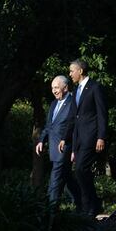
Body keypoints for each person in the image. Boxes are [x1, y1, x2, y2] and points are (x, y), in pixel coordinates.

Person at [59, 59, 108, 217]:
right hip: (78, 139)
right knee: (80, 171)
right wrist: (65, 139)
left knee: (80, 169)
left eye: (72, 70)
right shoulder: (76, 91)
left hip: (91, 136)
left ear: (80, 71)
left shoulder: (95, 87)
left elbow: (102, 114)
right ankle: (93, 203)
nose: (70, 74)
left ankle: (89, 206)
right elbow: (73, 118)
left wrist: (101, 137)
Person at [36, 75, 82, 211]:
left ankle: (50, 210)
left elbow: (74, 126)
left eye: (56, 87)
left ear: (65, 87)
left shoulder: (74, 102)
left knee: (55, 178)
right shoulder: (54, 103)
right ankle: (84, 202)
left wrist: (72, 146)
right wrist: (41, 141)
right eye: (52, 88)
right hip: (53, 146)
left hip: (65, 146)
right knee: (67, 177)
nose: (54, 91)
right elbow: (49, 125)